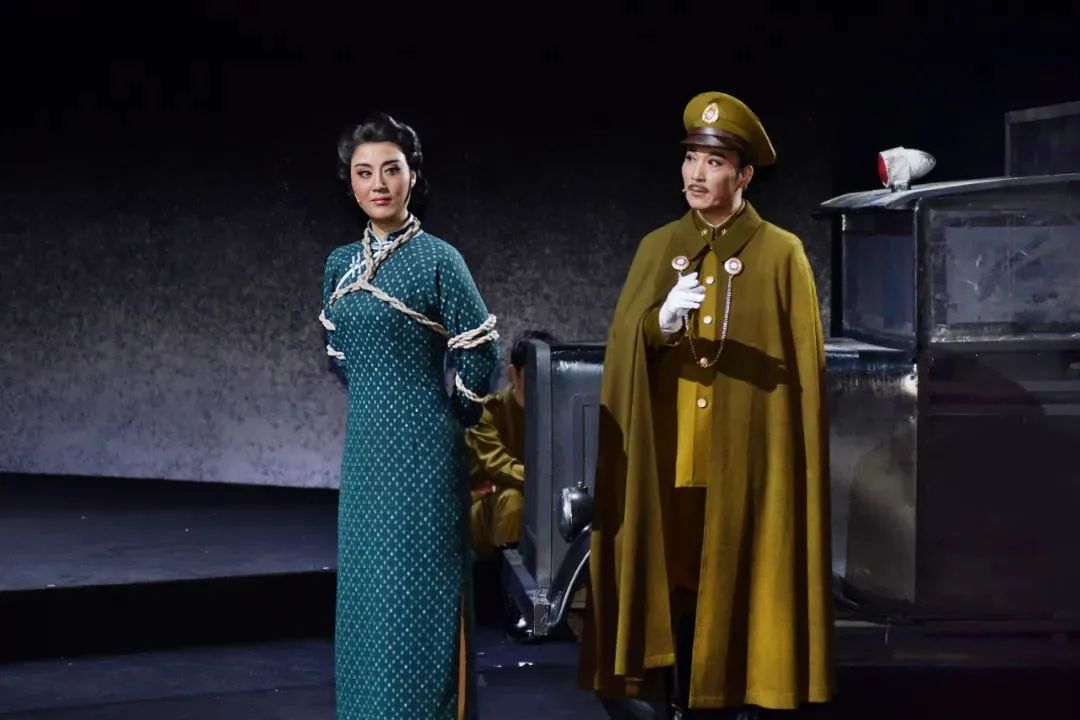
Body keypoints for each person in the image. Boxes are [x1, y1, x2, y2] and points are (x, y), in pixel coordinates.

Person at [579, 92, 834, 718]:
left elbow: (804, 373)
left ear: (744, 176)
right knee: (674, 579)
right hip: (672, 457)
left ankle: (736, 695)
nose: (696, 174)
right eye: (691, 157)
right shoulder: (657, 247)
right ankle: (670, 693)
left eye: (714, 162)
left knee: (744, 575)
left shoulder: (781, 254)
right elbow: (625, 347)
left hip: (746, 459)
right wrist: (659, 322)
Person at [319, 112, 499, 720]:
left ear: (412, 176)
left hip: (425, 454)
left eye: (390, 170)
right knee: (368, 598)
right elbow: (338, 354)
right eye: (364, 172)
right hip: (366, 453)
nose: (378, 184)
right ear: (350, 183)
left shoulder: (439, 259)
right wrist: (378, 399)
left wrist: (450, 416)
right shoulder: (338, 264)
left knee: (418, 598)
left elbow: (482, 351)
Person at [466, 329, 557, 557]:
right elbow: (497, 465)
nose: (541, 386)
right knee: (512, 500)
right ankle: (503, 576)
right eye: (533, 377)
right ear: (513, 374)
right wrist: (550, 481)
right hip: (485, 510)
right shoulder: (488, 412)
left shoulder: (557, 414)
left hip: (538, 505)